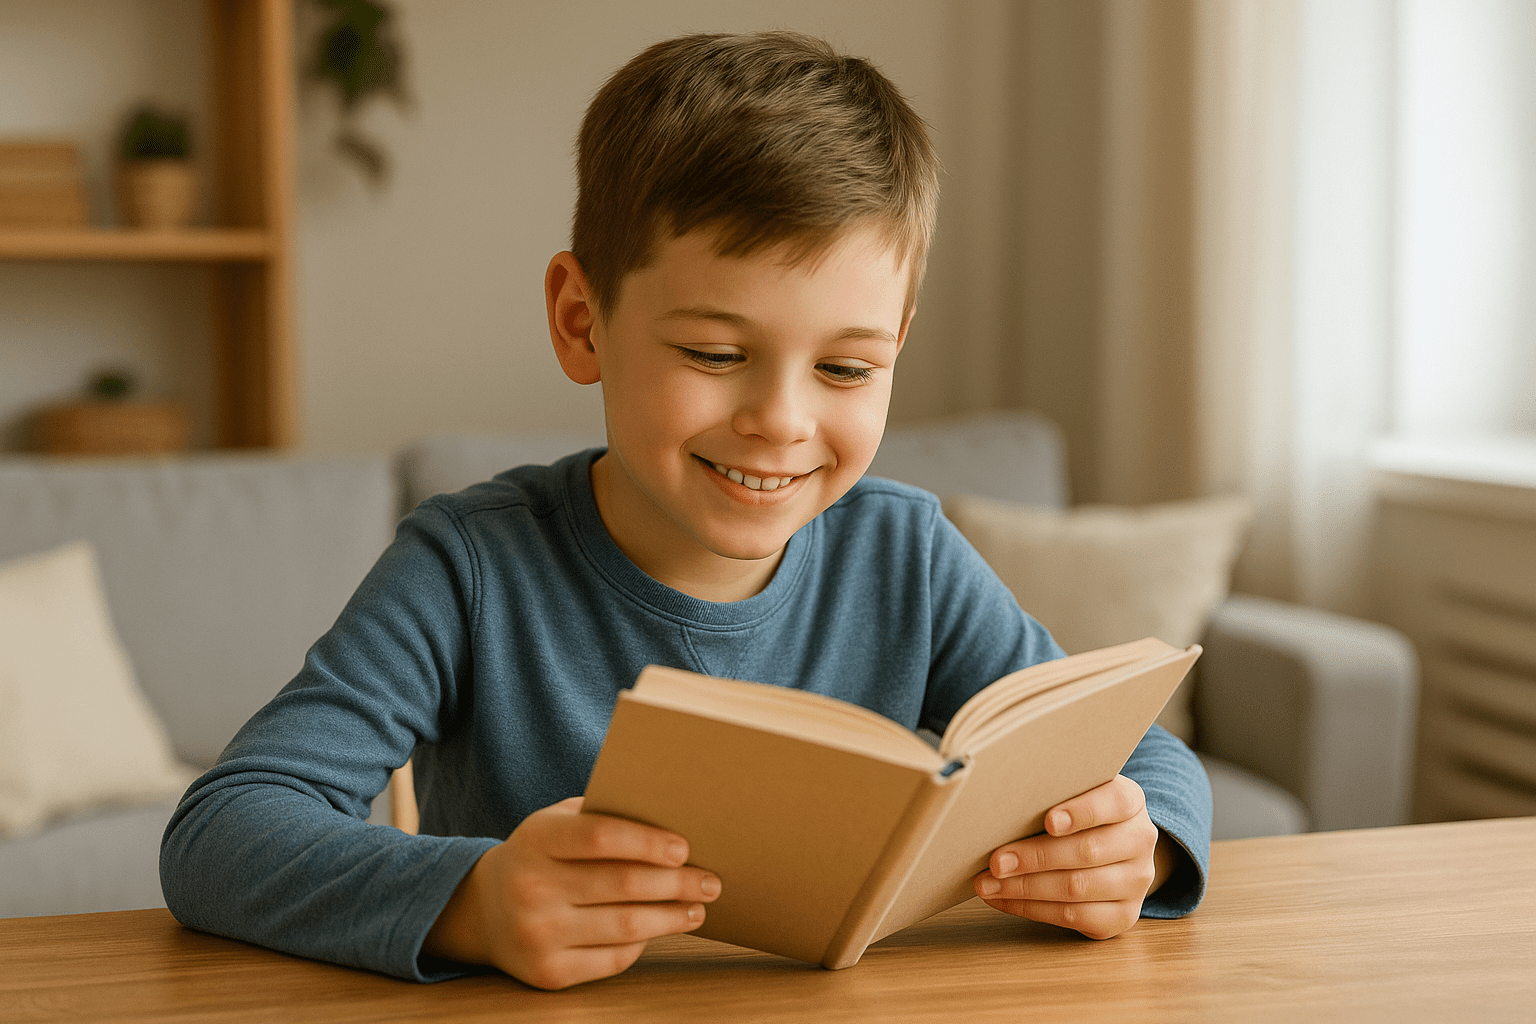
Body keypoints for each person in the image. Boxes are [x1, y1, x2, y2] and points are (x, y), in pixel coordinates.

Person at [161, 30, 1210, 991]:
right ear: (583, 321)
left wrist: (1139, 838)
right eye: (715, 354)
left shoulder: (908, 554)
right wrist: (475, 902)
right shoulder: (471, 567)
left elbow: (1143, 754)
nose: (781, 421)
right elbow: (220, 831)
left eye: (847, 367)